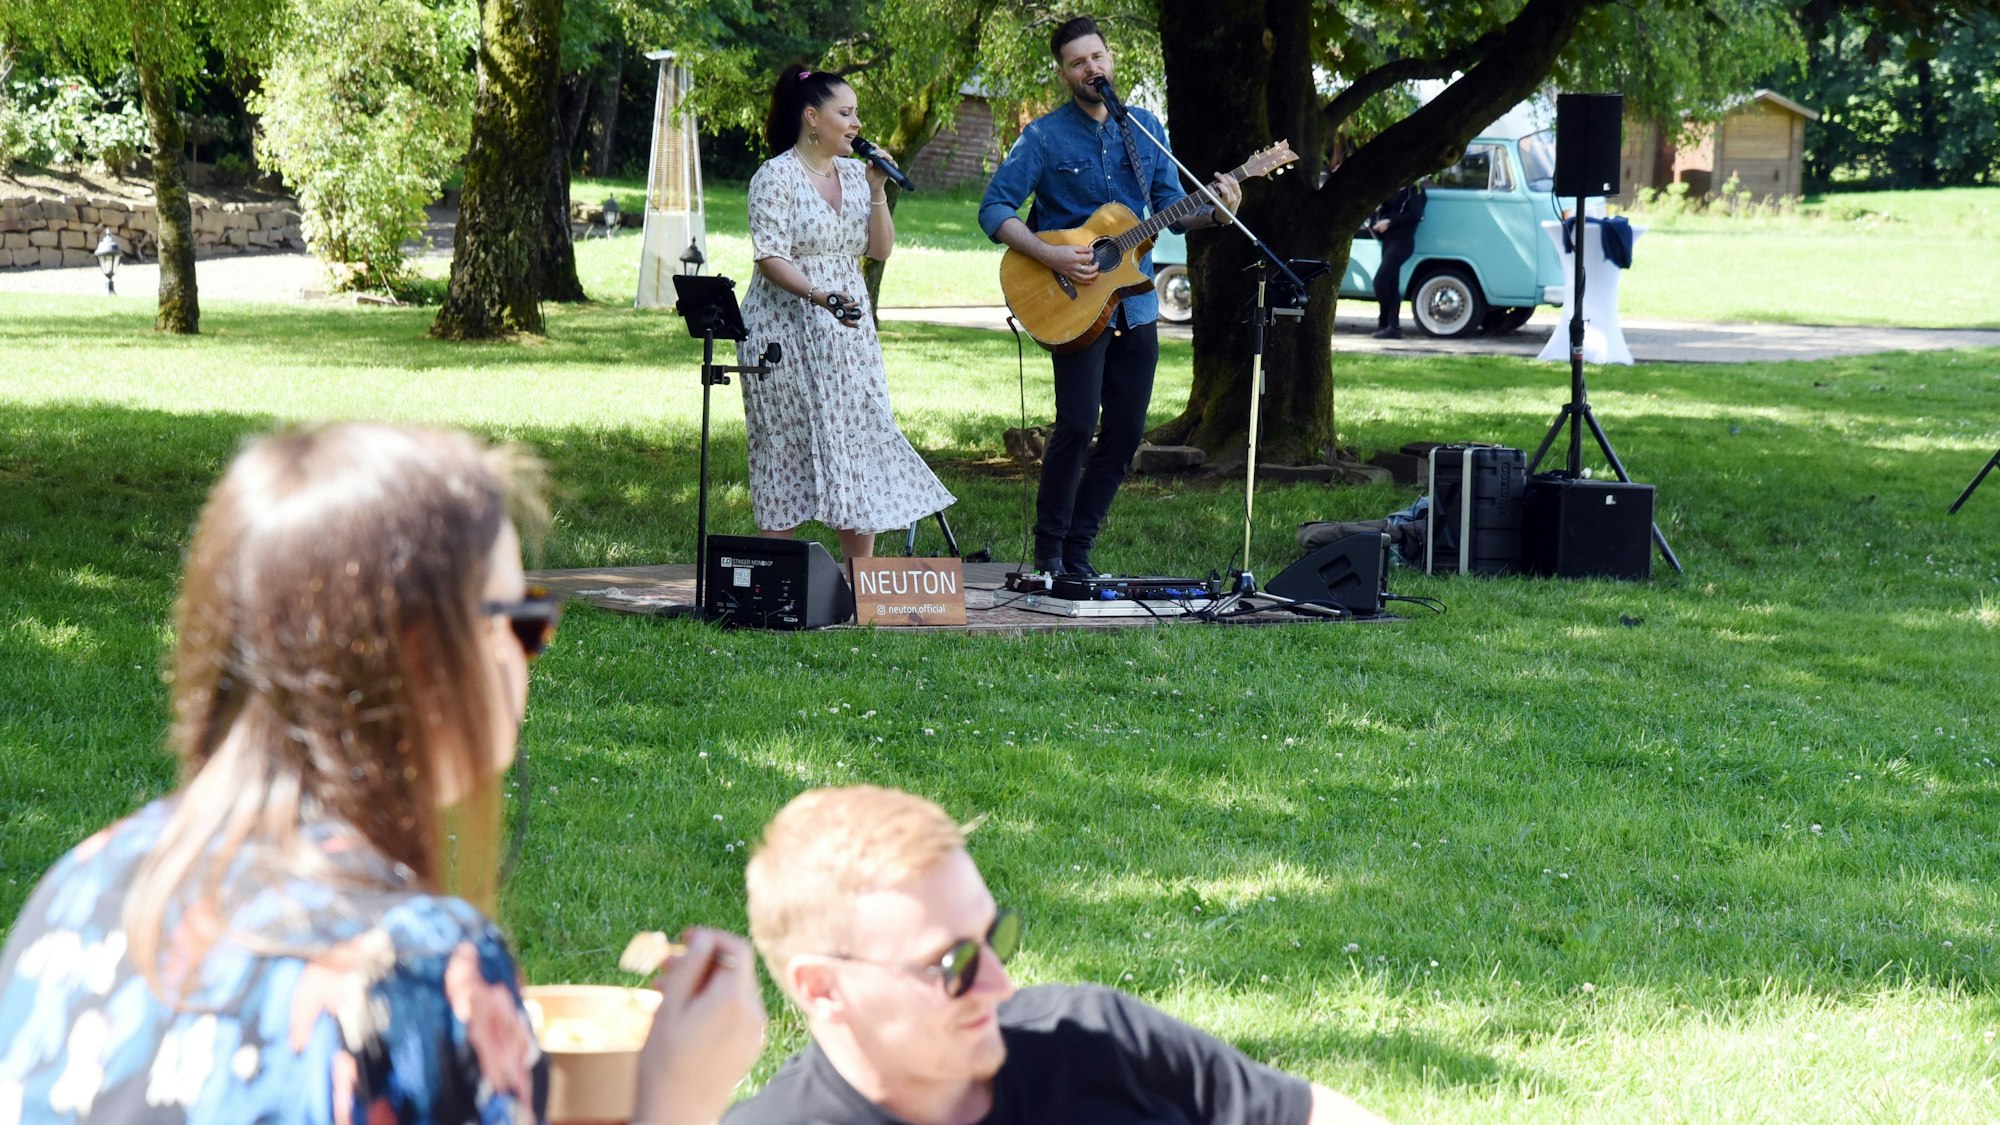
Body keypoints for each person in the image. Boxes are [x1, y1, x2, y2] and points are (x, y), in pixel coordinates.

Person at [0, 424, 765, 1124]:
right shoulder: (418, 965)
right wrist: (679, 1099)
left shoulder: (87, 883)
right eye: (522, 616)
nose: (538, 645)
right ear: (425, 657)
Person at [725, 785, 1391, 1125]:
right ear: (823, 989)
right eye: (951, 966)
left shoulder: (1094, 1037)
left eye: (995, 936)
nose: (1001, 983)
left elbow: (1302, 1114)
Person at [979, 16, 1243, 578]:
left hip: (1136, 303)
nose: (1090, 68)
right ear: (1064, 73)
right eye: (1078, 62)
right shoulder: (1044, 137)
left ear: (1110, 59)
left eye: (1096, 57)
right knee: (1075, 425)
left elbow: (1175, 207)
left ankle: (1079, 551)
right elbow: (994, 210)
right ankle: (1048, 549)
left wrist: (1219, 211)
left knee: (1125, 433)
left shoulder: (1144, 128)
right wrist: (1052, 255)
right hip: (1071, 301)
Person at [738, 64, 955, 560]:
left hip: (847, 331)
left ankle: (864, 581)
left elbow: (879, 250)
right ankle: (775, 576)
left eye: (857, 113)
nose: (857, 123)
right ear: (813, 117)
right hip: (785, 330)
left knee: (856, 441)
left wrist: (879, 190)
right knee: (786, 446)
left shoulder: (859, 176)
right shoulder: (775, 177)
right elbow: (771, 256)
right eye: (846, 113)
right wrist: (819, 295)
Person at [1369, 181, 1427, 339]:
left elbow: (1415, 215)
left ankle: (1386, 321)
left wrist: (1390, 222)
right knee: (1391, 285)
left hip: (1402, 242)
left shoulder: (1415, 190)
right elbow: (1381, 213)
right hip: (1388, 241)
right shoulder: (1392, 189)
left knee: (1380, 282)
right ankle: (1391, 326)